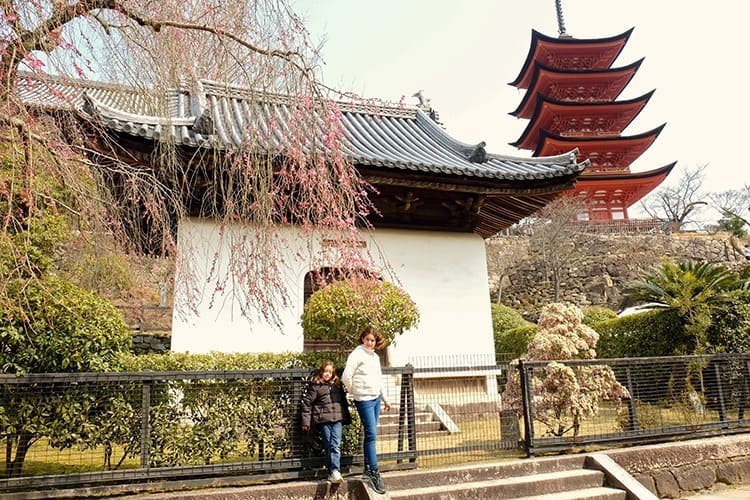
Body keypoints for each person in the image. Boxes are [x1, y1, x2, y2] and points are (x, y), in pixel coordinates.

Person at [341, 326, 391, 495]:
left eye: (373, 340)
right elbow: (346, 376)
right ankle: (374, 472)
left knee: (370, 435)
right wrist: (354, 392)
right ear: (363, 339)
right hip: (364, 399)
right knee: (371, 434)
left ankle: (367, 468)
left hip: (375, 397)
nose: (370, 343)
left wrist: (384, 398)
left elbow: (378, 378)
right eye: (368, 339)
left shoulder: (375, 357)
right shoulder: (356, 355)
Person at [300, 360, 351, 484]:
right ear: (321, 372)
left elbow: (343, 402)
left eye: (330, 371)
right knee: (329, 445)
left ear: (333, 373)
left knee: (335, 445)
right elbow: (307, 403)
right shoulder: (316, 386)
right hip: (324, 420)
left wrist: (347, 417)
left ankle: (335, 471)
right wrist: (306, 422)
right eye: (325, 371)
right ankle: (332, 471)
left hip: (337, 419)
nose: (327, 374)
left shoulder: (337, 385)